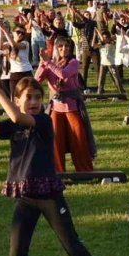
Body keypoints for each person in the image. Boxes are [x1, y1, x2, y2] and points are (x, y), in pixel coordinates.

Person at [0, 73, 121, 256]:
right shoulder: (14, 125)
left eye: (37, 97)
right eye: (27, 97)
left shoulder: (43, 121)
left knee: (73, 247)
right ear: (17, 99)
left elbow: (17, 116)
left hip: (49, 196)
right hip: (25, 197)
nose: (33, 101)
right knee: (16, 254)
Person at [35, 37, 96, 173]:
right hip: (56, 108)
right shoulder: (50, 63)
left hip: (72, 107)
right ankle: (58, 171)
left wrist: (48, 62)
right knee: (56, 141)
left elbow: (63, 74)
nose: (64, 49)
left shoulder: (73, 62)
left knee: (79, 138)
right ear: (56, 48)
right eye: (61, 46)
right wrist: (42, 63)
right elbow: (37, 79)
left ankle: (85, 170)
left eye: (67, 46)